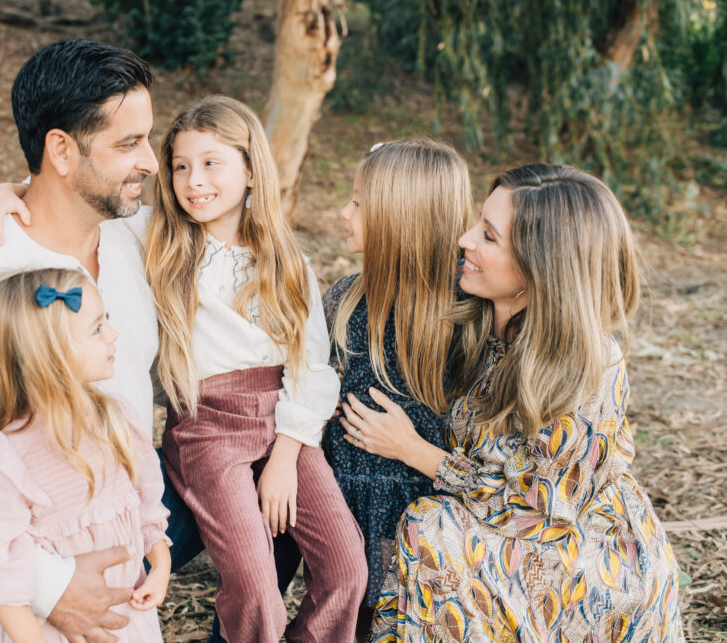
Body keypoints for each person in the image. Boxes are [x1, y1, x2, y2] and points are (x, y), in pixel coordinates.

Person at [0, 39, 171, 643]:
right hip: (23, 558)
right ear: (61, 151)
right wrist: (52, 585)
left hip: (122, 519)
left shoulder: (130, 235)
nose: (151, 162)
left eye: (147, 139)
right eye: (128, 144)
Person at [339, 165, 685, 642]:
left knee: (432, 528)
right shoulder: (478, 317)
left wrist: (412, 449)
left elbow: (537, 508)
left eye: (488, 236)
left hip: (577, 553)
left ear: (540, 265)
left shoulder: (586, 366)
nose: (463, 239)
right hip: (493, 524)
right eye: (476, 224)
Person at [148, 95, 366, 642]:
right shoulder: (157, 242)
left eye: (211, 163)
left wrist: (286, 457)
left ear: (250, 170)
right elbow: (79, 218)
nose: (193, 180)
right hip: (206, 424)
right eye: (180, 165)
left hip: (284, 423)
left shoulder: (287, 263)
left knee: (346, 568)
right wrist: (7, 194)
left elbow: (311, 366)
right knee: (255, 583)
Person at [0, 268, 170, 643]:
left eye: (105, 321)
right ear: (51, 355)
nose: (113, 334)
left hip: (124, 617)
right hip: (47, 630)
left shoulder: (116, 419)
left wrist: (159, 565)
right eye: (96, 329)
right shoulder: (9, 457)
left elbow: (147, 505)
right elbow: (0, 576)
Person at [319, 139, 472, 635]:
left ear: (399, 219)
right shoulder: (345, 299)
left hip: (425, 530)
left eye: (359, 203)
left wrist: (409, 447)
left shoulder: (466, 319)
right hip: (343, 514)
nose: (344, 211)